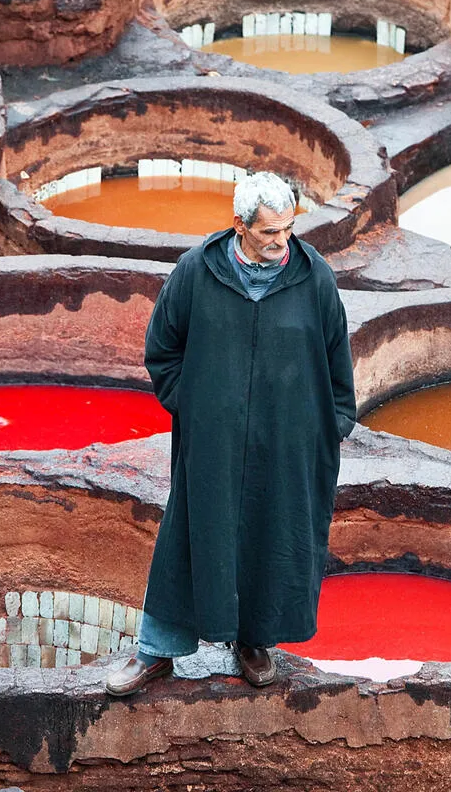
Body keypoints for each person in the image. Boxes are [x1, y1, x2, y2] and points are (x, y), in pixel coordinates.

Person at [105, 171, 356, 694]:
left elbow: (338, 363)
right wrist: (193, 408)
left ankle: (252, 643)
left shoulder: (314, 278)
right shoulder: (197, 272)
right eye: (269, 232)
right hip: (213, 445)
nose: (281, 242)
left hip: (287, 447)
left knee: (272, 538)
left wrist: (330, 427)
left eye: (287, 230)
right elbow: (162, 350)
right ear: (239, 225)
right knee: (190, 537)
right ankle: (157, 651)